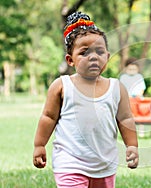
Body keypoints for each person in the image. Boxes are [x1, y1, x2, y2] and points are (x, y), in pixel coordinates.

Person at [33, 12, 138, 188]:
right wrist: (39, 144)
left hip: (105, 165)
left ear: (107, 56)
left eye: (99, 51)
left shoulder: (116, 88)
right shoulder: (61, 86)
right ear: (70, 60)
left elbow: (126, 118)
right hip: (69, 163)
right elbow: (48, 117)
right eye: (84, 52)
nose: (93, 56)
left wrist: (132, 146)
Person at [120, 58, 146, 137]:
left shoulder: (139, 77)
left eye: (134, 69)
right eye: (130, 69)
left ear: (137, 69)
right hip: (127, 99)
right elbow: (121, 88)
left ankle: (141, 130)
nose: (132, 71)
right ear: (126, 69)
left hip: (137, 99)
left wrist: (138, 95)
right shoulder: (123, 77)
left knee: (141, 113)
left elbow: (142, 88)